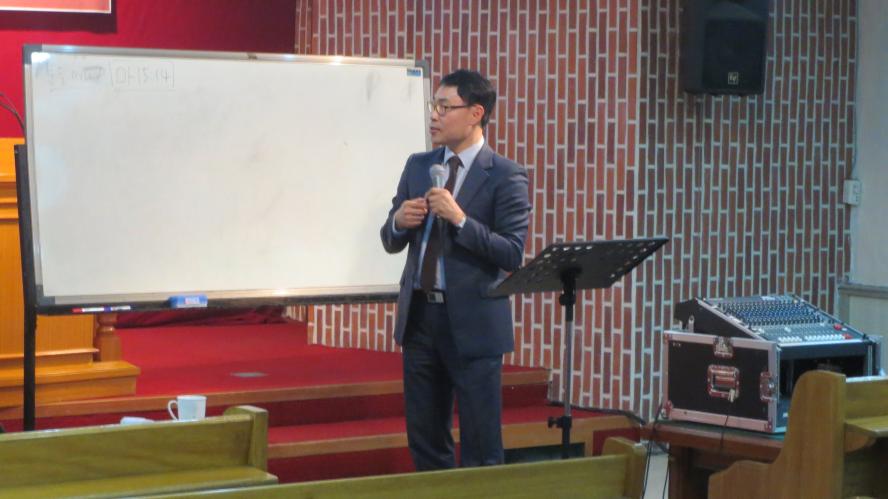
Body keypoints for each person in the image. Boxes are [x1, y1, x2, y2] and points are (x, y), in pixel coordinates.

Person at [380, 69, 531, 469]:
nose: (434, 115)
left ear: (476, 113)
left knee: (481, 445)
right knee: (426, 440)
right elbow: (389, 239)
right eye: (434, 105)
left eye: (445, 107)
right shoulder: (418, 166)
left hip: (473, 324)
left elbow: (511, 253)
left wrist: (460, 219)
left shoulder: (506, 175)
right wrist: (398, 222)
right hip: (420, 319)